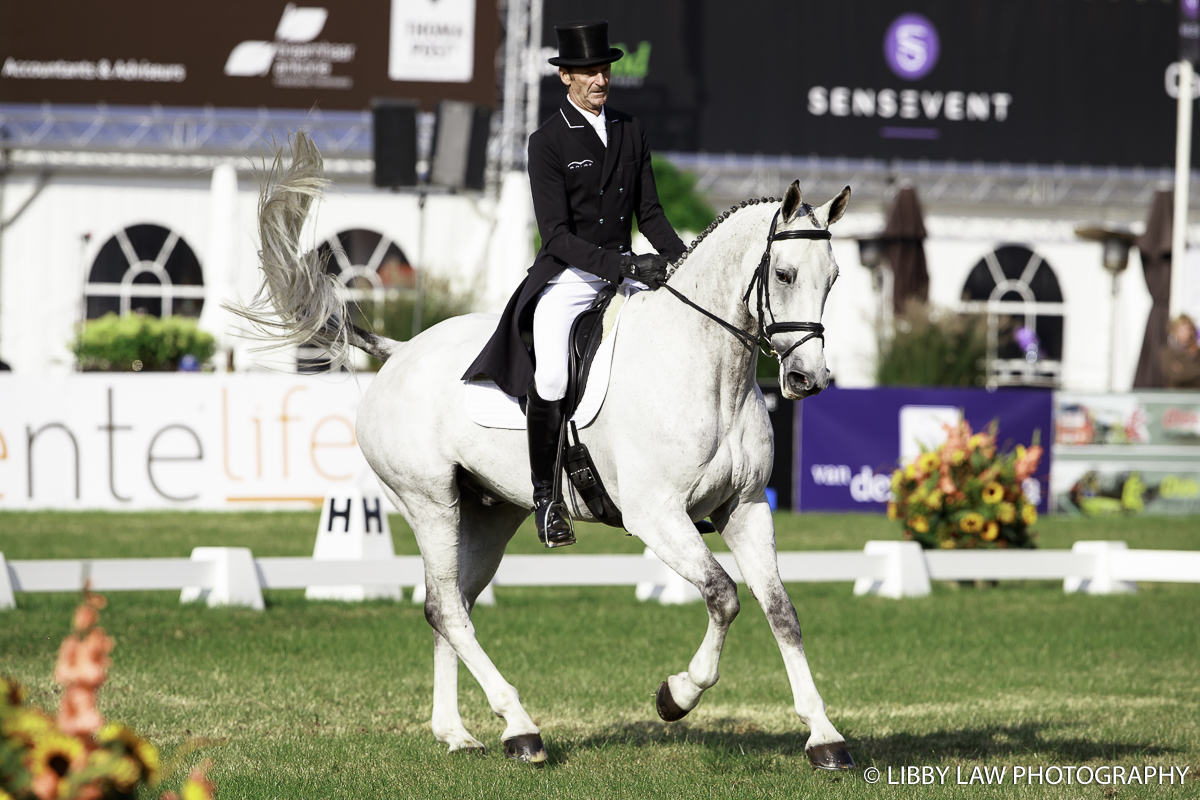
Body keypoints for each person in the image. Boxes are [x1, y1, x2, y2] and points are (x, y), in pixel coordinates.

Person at [463, 19, 686, 547]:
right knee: (553, 381)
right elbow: (557, 237)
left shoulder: (632, 129)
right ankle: (545, 499)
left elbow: (650, 214)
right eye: (587, 71)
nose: (599, 79)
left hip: (628, 271)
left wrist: (682, 263)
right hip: (571, 276)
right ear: (565, 76)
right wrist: (626, 268)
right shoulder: (546, 142)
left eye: (604, 69)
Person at [1162, 314, 1200, 389]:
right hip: (1176, 397)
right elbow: (1179, 377)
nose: (1186, 333)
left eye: (1188, 329)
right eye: (1181, 330)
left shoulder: (1197, 352)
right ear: (1174, 331)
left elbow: (1183, 373)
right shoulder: (1167, 352)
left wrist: (1193, 356)